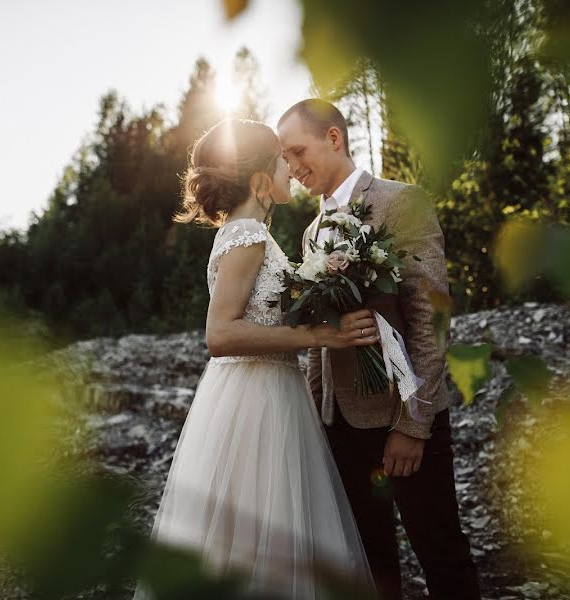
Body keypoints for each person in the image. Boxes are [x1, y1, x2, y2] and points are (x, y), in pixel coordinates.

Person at [132, 118, 375, 599]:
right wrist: (322, 335)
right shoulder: (247, 236)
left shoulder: (253, 234)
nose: (291, 169)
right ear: (261, 179)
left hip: (273, 390)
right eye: (282, 162)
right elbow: (219, 333)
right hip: (255, 399)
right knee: (258, 530)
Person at [278, 99, 482, 599]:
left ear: (333, 138)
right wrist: (320, 417)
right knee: (370, 563)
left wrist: (414, 425)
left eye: (297, 151)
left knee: (441, 554)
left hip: (400, 420)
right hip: (342, 428)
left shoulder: (400, 202)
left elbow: (429, 319)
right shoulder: (311, 233)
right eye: (284, 158)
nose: (292, 167)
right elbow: (319, 341)